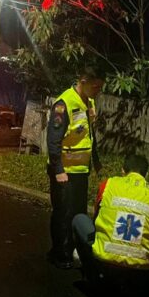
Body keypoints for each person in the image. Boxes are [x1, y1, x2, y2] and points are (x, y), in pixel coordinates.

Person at [72, 154, 149, 293]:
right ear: (146, 174)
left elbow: (98, 215)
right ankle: (140, 287)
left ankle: (92, 276)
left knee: (79, 220)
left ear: (123, 171)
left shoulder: (108, 185)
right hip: (139, 270)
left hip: (105, 262)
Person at [46, 67, 106, 269]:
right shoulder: (64, 104)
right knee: (63, 213)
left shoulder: (89, 101)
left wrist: (95, 162)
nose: (98, 91)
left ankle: (75, 250)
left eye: (100, 87)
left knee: (78, 213)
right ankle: (60, 253)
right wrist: (58, 170)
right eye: (95, 87)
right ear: (83, 81)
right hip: (65, 172)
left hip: (81, 170)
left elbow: (89, 135)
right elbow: (53, 140)